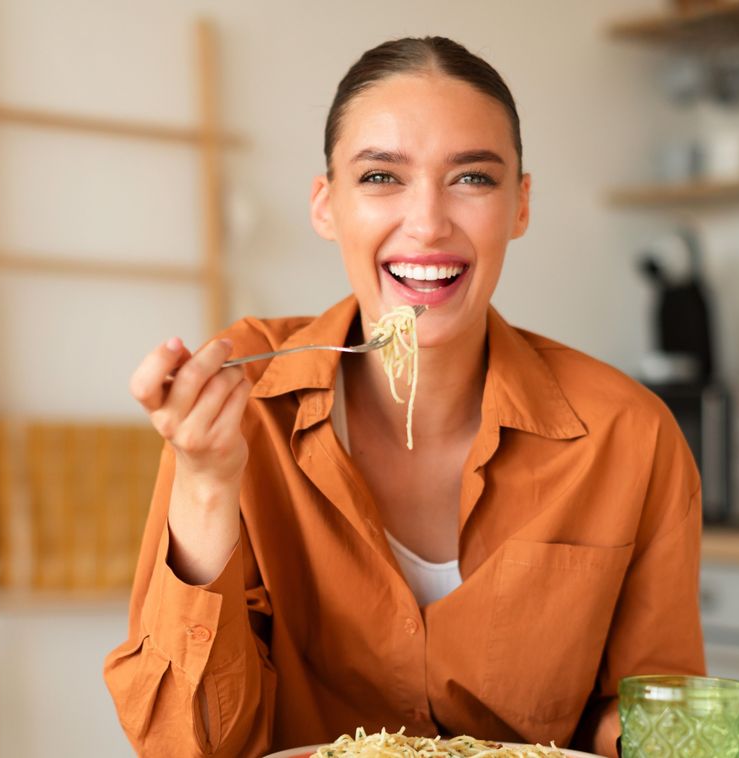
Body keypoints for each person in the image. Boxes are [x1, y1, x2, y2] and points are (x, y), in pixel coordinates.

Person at [104, 36, 705, 758]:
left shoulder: (627, 433)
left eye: (473, 180)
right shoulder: (244, 407)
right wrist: (204, 481)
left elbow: (652, 714)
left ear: (519, 205)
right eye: (382, 177)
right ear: (325, 206)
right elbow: (184, 747)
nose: (426, 223)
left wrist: (658, 740)